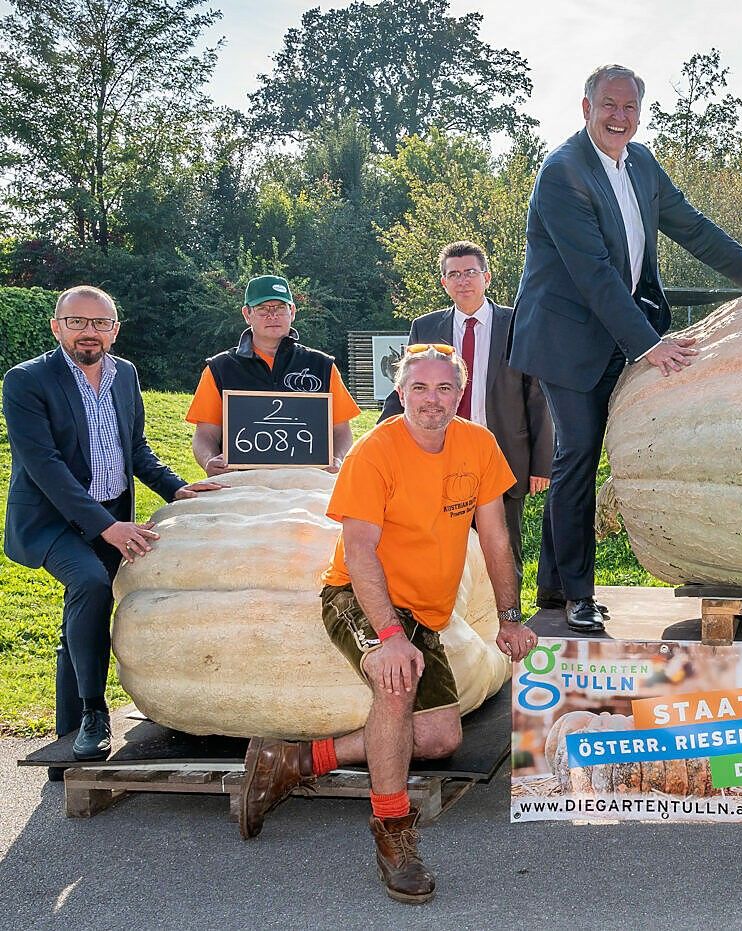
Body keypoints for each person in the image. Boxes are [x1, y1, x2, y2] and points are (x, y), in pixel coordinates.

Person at [233, 345, 537, 904]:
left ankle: (295, 760)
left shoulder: (478, 444)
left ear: (459, 393)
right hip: (358, 594)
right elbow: (360, 549)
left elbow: (495, 538)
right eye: (420, 388)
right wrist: (390, 638)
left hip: (424, 610)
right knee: (395, 687)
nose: (432, 400)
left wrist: (510, 616)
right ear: (401, 394)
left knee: (442, 738)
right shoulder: (376, 452)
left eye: (445, 388)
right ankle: (393, 834)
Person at [508, 63, 742, 632]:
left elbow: (691, 226)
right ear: (585, 107)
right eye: (608, 105)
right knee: (580, 455)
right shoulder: (562, 172)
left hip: (617, 324)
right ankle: (576, 595)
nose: (620, 116)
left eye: (629, 107)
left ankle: (550, 587)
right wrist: (648, 345)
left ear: (640, 113)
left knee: (581, 458)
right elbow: (592, 274)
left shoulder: (640, 163)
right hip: (567, 336)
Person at [3, 286, 220, 762]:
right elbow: (45, 466)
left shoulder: (125, 375)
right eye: (78, 322)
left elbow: (135, 449)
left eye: (100, 323)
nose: (89, 332)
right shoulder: (26, 381)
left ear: (115, 330)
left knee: (84, 616)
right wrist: (107, 527)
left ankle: (68, 740)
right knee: (89, 583)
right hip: (51, 520)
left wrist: (178, 490)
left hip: (108, 514)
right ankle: (93, 712)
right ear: (57, 326)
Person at [381, 241, 553, 568]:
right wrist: (379, 440)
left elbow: (538, 395)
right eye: (454, 274)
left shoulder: (518, 323)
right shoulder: (426, 327)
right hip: (441, 452)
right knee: (443, 549)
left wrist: (541, 463)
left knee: (502, 548)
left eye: (471, 272)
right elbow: (407, 386)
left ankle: (508, 616)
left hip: (501, 453)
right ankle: (448, 614)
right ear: (444, 283)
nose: (463, 280)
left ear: (486, 277)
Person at [184, 274, 359, 474]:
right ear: (247, 314)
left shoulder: (322, 365)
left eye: (280, 308)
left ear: (292, 312)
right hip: (241, 484)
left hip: (310, 482)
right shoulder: (220, 368)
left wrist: (337, 460)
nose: (272, 316)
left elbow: (342, 431)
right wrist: (209, 460)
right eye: (263, 309)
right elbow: (205, 434)